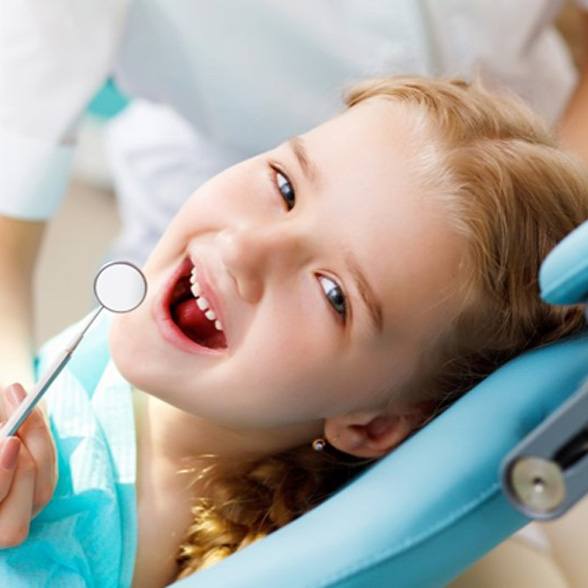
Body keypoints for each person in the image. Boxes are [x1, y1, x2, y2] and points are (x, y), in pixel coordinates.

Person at [0, 76, 587, 587]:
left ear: (373, 422)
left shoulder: (61, 545)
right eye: (285, 186)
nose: (245, 247)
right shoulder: (144, 372)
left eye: (334, 294)